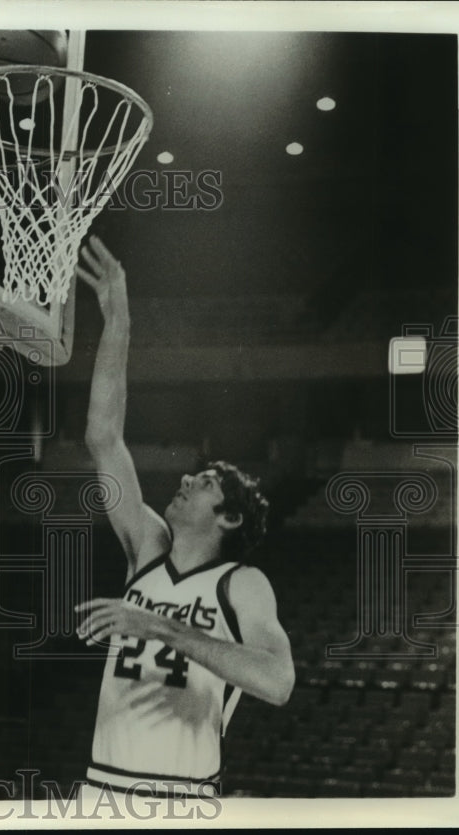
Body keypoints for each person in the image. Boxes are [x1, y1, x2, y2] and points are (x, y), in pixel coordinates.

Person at [74, 236, 294, 798]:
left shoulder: (242, 585)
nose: (184, 481)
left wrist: (159, 627)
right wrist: (118, 318)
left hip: (177, 799)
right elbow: (104, 437)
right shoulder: (147, 545)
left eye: (203, 483)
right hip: (100, 790)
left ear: (230, 519)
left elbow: (277, 681)